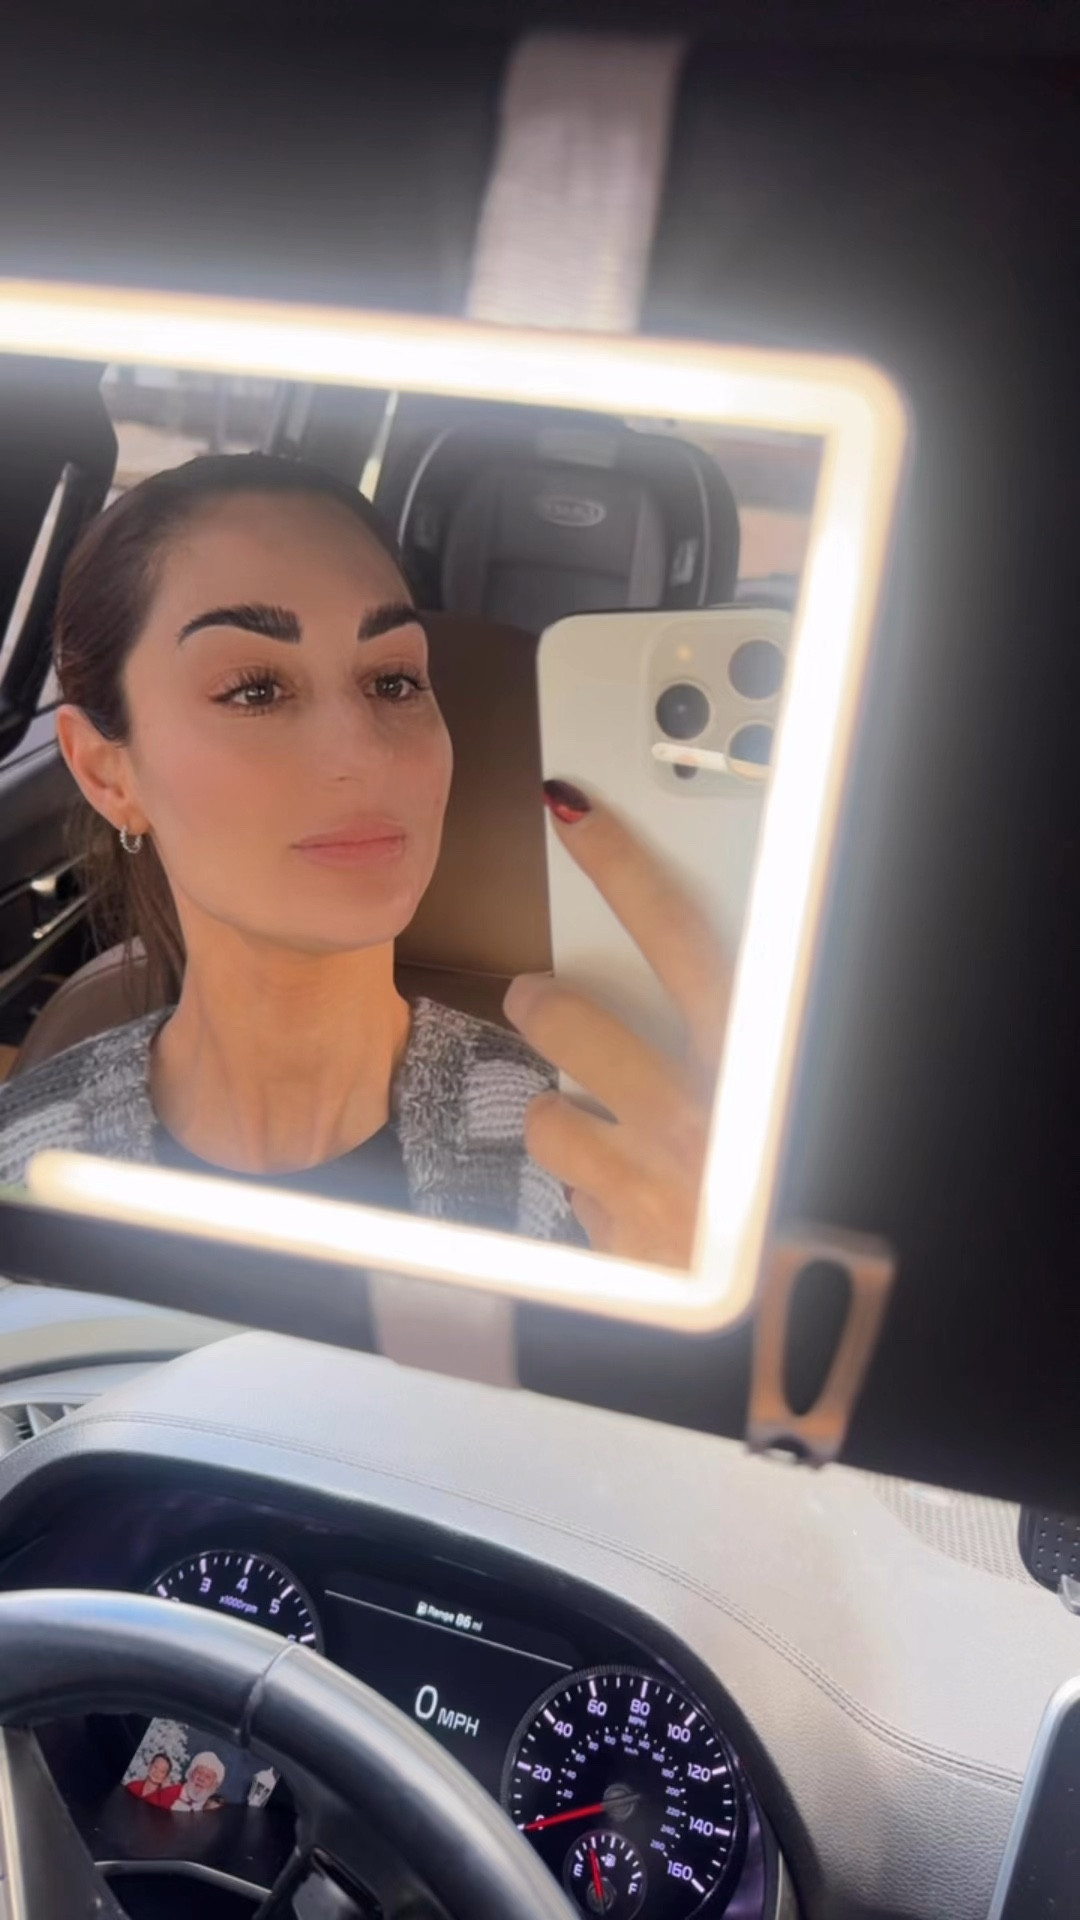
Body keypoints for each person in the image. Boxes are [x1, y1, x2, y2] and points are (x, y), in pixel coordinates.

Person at [0, 455, 721, 1268]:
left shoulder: (611, 1178)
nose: (363, 753)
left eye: (394, 682)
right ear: (106, 772)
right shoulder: (23, 1162)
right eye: (255, 690)